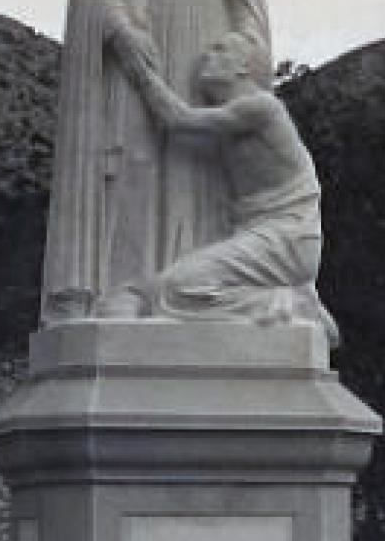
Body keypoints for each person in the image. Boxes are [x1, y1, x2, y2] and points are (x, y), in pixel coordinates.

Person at [40, 0, 272, 323]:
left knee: (204, 157)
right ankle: (127, 288)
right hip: (141, 33)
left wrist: (248, 46)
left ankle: (202, 286)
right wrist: (120, 30)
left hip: (207, 33)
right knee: (135, 159)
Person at [123, 33, 334, 338]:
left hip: (287, 239)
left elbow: (177, 118)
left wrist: (139, 70)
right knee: (172, 289)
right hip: (270, 236)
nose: (207, 56)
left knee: (176, 289)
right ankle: (284, 302)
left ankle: (291, 306)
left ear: (243, 68)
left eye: (219, 48)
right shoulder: (232, 121)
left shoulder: (260, 108)